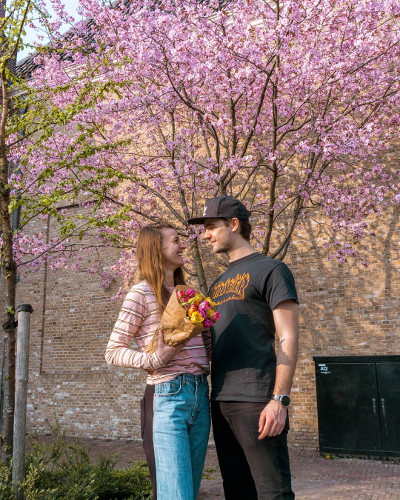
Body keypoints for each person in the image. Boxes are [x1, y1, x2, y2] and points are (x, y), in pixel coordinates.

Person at [188, 196, 299, 500]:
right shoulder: (218, 283)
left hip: (257, 401)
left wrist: (280, 399)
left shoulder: (272, 270)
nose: (206, 235)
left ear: (233, 225)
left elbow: (288, 337)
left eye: (211, 227)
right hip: (221, 401)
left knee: (272, 493)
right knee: (237, 492)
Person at [105, 223, 211, 500]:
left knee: (189, 490)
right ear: (157, 249)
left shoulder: (188, 293)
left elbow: (204, 344)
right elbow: (113, 350)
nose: (183, 245)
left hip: (201, 393)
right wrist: (154, 358)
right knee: (177, 494)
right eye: (176, 241)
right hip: (170, 394)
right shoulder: (139, 294)